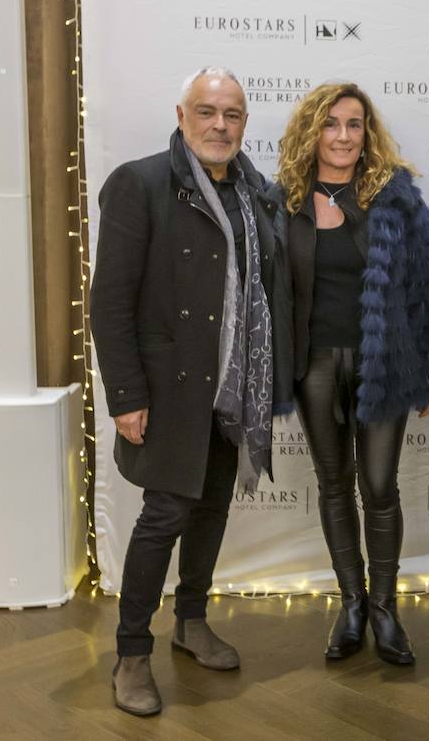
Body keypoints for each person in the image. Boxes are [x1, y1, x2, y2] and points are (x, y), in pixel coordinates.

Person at [92, 67, 287, 717]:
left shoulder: (257, 194)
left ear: (244, 123)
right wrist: (124, 394)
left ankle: (193, 621)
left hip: (232, 390)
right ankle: (131, 653)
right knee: (164, 517)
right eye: (207, 112)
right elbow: (110, 300)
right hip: (168, 389)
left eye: (231, 114)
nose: (220, 125)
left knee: (209, 511)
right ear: (182, 116)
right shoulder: (141, 183)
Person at [272, 82, 429, 666]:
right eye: (331, 124)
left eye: (354, 124)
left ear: (367, 133)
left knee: (378, 485)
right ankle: (350, 604)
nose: (344, 136)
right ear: (312, 132)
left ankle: (385, 609)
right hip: (314, 363)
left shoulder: (394, 197)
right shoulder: (285, 201)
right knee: (332, 482)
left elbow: (424, 288)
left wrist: (427, 365)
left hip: (385, 361)